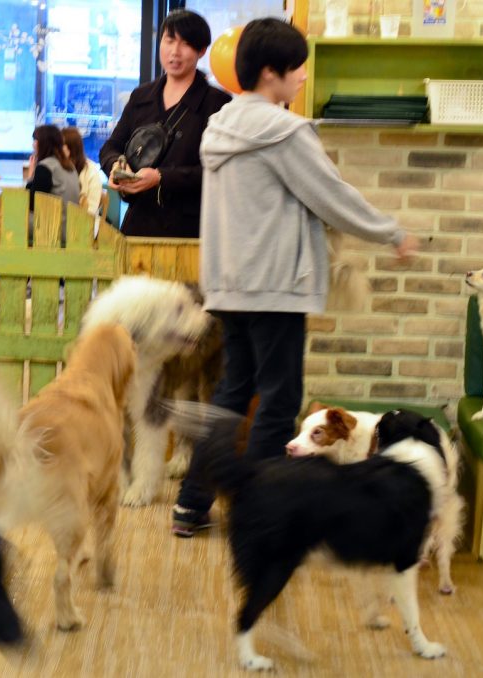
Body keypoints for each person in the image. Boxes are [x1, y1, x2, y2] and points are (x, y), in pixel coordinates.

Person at [171, 17, 420, 537]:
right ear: (270, 73)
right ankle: (255, 508)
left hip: (229, 284)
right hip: (273, 286)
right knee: (279, 400)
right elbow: (332, 195)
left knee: (232, 393)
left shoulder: (219, 127)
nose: (304, 77)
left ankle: (192, 504)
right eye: (297, 67)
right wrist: (392, 233)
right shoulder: (284, 132)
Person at [99, 9, 230, 238]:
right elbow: (111, 147)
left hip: (192, 232)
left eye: (186, 44)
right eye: (169, 41)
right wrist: (116, 167)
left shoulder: (217, 103)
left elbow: (220, 170)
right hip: (139, 226)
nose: (175, 52)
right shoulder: (142, 96)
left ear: (201, 51)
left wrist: (162, 177)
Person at [25, 124, 80, 211]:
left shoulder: (45, 167)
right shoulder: (70, 165)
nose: (33, 144)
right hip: (71, 221)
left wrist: (31, 175)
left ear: (43, 143)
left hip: (55, 222)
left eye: (35, 140)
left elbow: (30, 204)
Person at [62, 127, 104, 216]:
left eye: (61, 146)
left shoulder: (91, 171)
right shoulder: (59, 167)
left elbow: (91, 210)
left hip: (83, 222)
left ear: (70, 148)